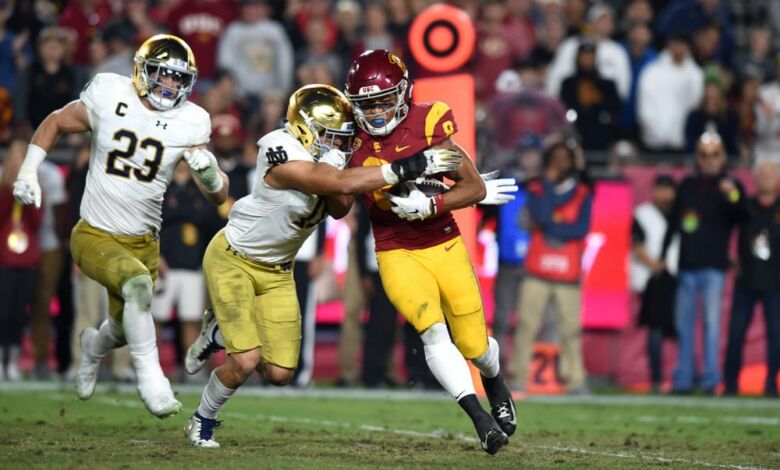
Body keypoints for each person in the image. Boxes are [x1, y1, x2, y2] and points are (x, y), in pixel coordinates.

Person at [182, 83, 466, 448]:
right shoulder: (277, 146)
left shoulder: (332, 160)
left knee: (281, 373)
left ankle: (219, 332)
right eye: (331, 136)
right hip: (233, 258)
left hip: (278, 269)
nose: (339, 145)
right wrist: (407, 166)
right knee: (246, 361)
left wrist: (345, 174)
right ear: (304, 128)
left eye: (343, 137)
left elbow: (339, 207)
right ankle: (202, 419)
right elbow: (324, 180)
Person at [12, 34, 229, 417]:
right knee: (140, 289)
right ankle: (153, 381)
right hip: (95, 232)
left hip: (144, 241)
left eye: (180, 79)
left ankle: (92, 346)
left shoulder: (191, 121)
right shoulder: (111, 94)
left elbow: (217, 195)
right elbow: (57, 120)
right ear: (144, 72)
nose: (171, 85)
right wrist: (29, 169)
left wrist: (211, 175)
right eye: (164, 74)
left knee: (123, 324)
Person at [343, 49, 517, 454]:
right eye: (368, 104)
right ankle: (480, 420)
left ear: (404, 94)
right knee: (432, 331)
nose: (379, 111)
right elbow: (340, 200)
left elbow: (473, 187)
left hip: (443, 241)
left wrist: (431, 203)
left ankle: (494, 379)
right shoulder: (350, 138)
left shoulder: (429, 121)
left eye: (385, 100)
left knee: (475, 345)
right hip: (395, 248)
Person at [508, 141, 593, 395]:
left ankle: (575, 380)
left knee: (571, 329)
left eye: (564, 159)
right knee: (526, 324)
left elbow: (580, 229)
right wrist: (547, 184)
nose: (559, 164)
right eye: (555, 159)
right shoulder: (536, 189)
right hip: (537, 270)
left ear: (572, 163)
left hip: (567, 273)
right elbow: (543, 215)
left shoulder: (582, 193)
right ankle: (517, 376)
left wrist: (549, 229)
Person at [667, 132, 743, 394]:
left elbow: (743, 214)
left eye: (714, 155)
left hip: (714, 267)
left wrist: (732, 194)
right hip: (687, 264)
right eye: (704, 155)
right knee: (683, 326)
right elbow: (675, 223)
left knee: (712, 327)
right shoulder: (687, 185)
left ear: (722, 157)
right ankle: (683, 379)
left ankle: (711, 380)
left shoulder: (730, 186)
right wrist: (665, 256)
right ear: (697, 158)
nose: (709, 160)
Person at [723, 161, 780, 397]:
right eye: (762, 174)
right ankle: (730, 384)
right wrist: (728, 259)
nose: (766, 178)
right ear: (754, 179)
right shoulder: (745, 206)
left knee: (776, 337)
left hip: (775, 282)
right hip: (746, 280)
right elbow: (721, 225)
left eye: (771, 174)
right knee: (736, 334)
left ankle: (770, 384)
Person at [631, 175, 678, 393]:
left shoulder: (678, 214)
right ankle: (657, 378)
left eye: (670, 190)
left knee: (679, 328)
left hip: (675, 275)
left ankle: (680, 377)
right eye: (662, 189)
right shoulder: (643, 213)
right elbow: (637, 243)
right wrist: (654, 264)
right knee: (656, 329)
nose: (666, 195)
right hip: (653, 277)